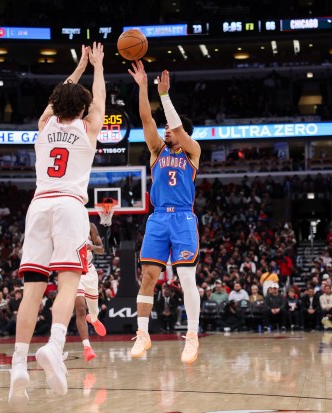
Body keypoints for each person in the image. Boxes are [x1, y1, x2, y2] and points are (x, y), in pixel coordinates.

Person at [9, 42, 106, 405]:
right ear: (82, 108)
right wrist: (96, 66)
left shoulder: (44, 125)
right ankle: (53, 344)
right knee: (69, 284)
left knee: (32, 292)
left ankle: (18, 362)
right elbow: (99, 100)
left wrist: (78, 66)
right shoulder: (88, 127)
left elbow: (58, 98)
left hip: (38, 207)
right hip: (69, 206)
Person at [128, 60, 201, 364]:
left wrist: (166, 96)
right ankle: (143, 334)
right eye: (166, 128)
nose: (166, 131)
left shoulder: (193, 151)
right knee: (147, 276)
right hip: (158, 218)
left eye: (171, 128)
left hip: (183, 217)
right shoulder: (157, 151)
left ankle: (193, 335)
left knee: (186, 277)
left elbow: (179, 129)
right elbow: (146, 119)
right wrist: (144, 87)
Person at [75, 223, 107, 362]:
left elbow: (101, 250)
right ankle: (87, 347)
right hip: (74, 273)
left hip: (89, 272)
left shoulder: (90, 226)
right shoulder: (65, 225)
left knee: (93, 310)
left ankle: (93, 319)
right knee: (81, 309)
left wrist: (92, 247)